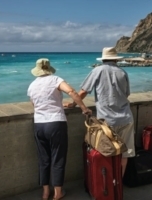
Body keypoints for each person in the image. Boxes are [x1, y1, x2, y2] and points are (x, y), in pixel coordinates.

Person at [27, 58, 92, 200]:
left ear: (37, 70)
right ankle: (57, 193)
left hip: (39, 124)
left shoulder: (32, 85)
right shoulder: (55, 79)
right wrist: (84, 108)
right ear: (49, 69)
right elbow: (72, 92)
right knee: (58, 158)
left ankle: (45, 192)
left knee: (43, 159)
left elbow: (35, 105)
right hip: (56, 123)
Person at [65, 47, 135, 177]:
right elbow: (127, 94)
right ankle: (118, 184)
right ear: (115, 59)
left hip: (106, 121)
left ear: (103, 59)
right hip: (126, 118)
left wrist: (73, 103)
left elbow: (84, 91)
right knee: (125, 153)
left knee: (106, 152)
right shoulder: (122, 72)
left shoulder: (97, 71)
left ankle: (107, 184)